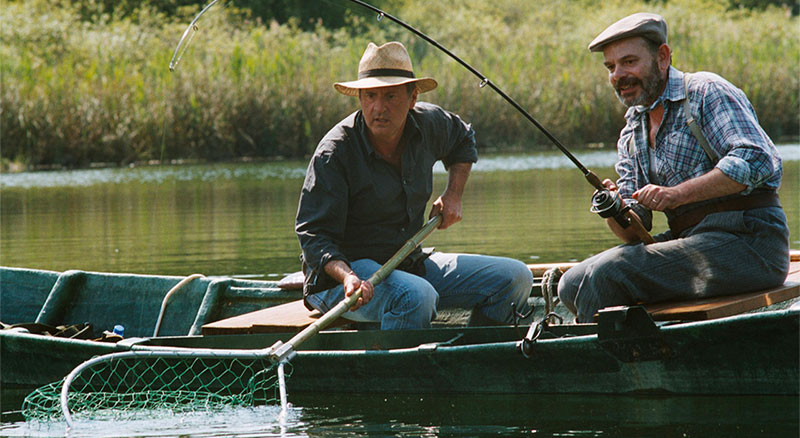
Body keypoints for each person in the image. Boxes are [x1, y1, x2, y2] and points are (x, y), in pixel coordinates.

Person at [558, 13, 789, 322]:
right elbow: (634, 232)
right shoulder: (632, 130)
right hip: (693, 242)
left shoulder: (706, 92)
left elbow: (757, 158)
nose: (618, 75)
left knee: (608, 274)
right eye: (611, 67)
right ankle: (636, 352)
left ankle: (603, 365)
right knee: (570, 283)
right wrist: (614, 208)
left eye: (629, 62)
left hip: (751, 243)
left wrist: (676, 194)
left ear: (662, 57)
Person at [295, 41, 533, 329]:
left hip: (408, 262)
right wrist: (347, 277)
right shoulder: (335, 153)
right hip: (341, 279)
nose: (378, 108)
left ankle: (471, 358)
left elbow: (463, 139)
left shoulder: (429, 123)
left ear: (412, 98)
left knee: (516, 278)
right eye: (369, 96)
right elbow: (314, 236)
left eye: (391, 96)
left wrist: (453, 194)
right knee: (416, 297)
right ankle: (398, 372)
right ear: (360, 98)